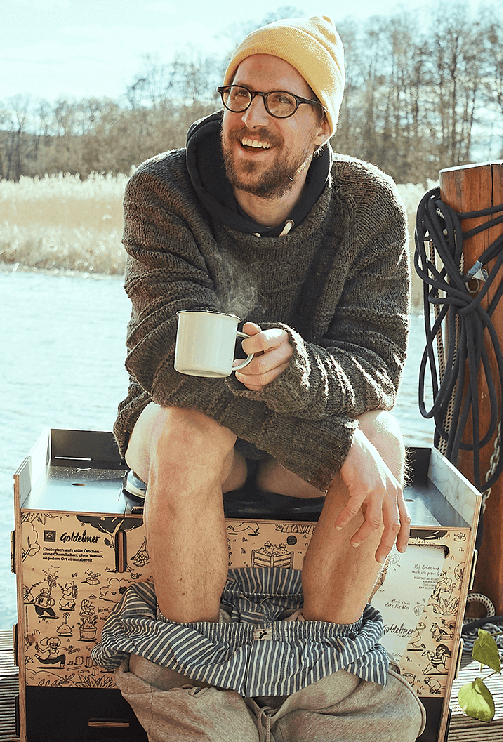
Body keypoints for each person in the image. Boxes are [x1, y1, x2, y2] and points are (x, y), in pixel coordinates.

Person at [92, 14, 423, 741]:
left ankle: (321, 688)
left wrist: (297, 369)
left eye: (281, 102)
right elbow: (158, 355)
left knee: (386, 442)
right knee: (192, 429)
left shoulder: (366, 203)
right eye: (240, 94)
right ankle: (191, 685)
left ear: (321, 124)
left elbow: (377, 366)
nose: (249, 118)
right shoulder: (162, 187)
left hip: (288, 450)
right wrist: (335, 446)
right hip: (176, 428)